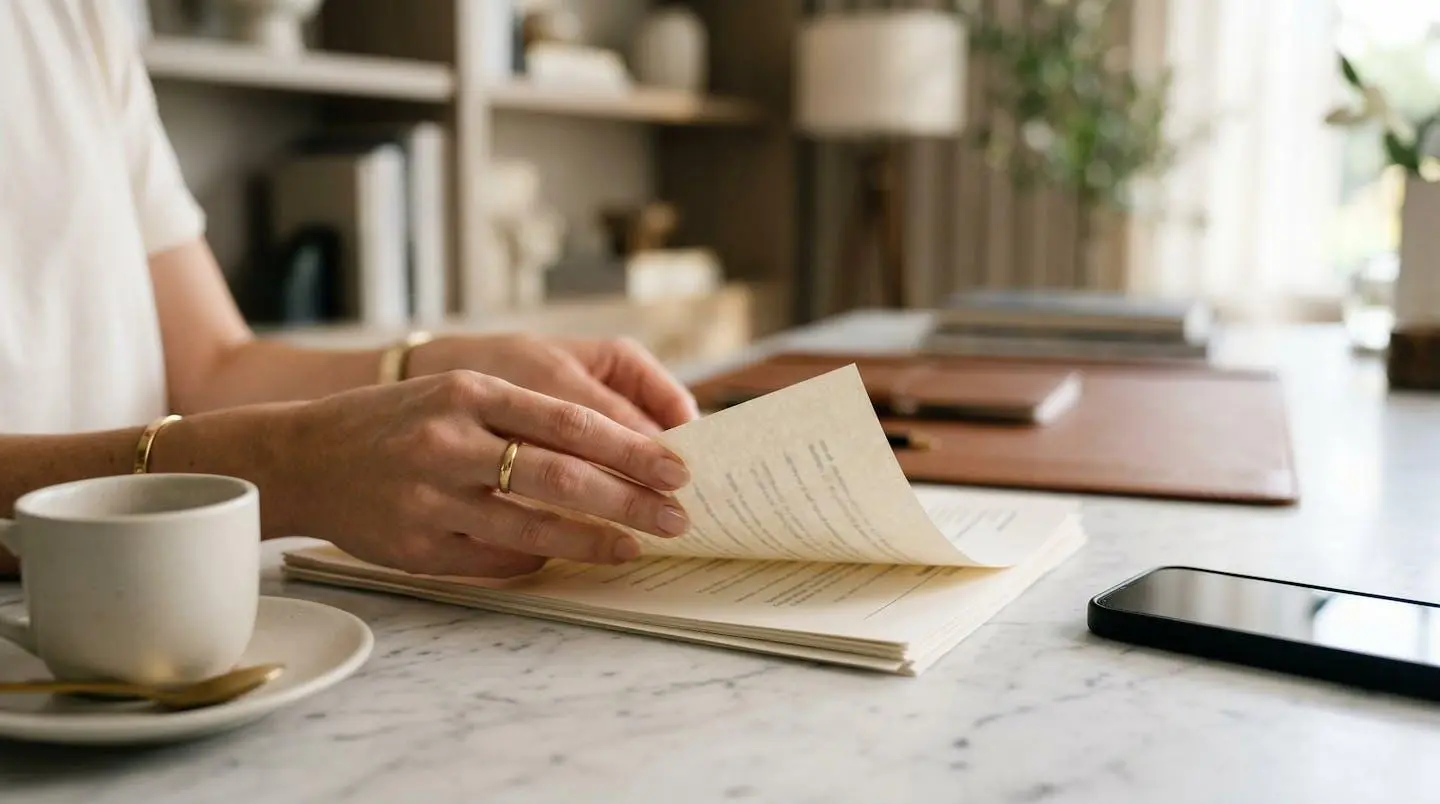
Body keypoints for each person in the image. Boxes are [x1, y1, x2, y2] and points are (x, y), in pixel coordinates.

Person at [0, 2, 697, 580]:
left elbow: (210, 365)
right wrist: (287, 466)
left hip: (147, 589)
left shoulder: (73, 14)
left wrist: (444, 366)